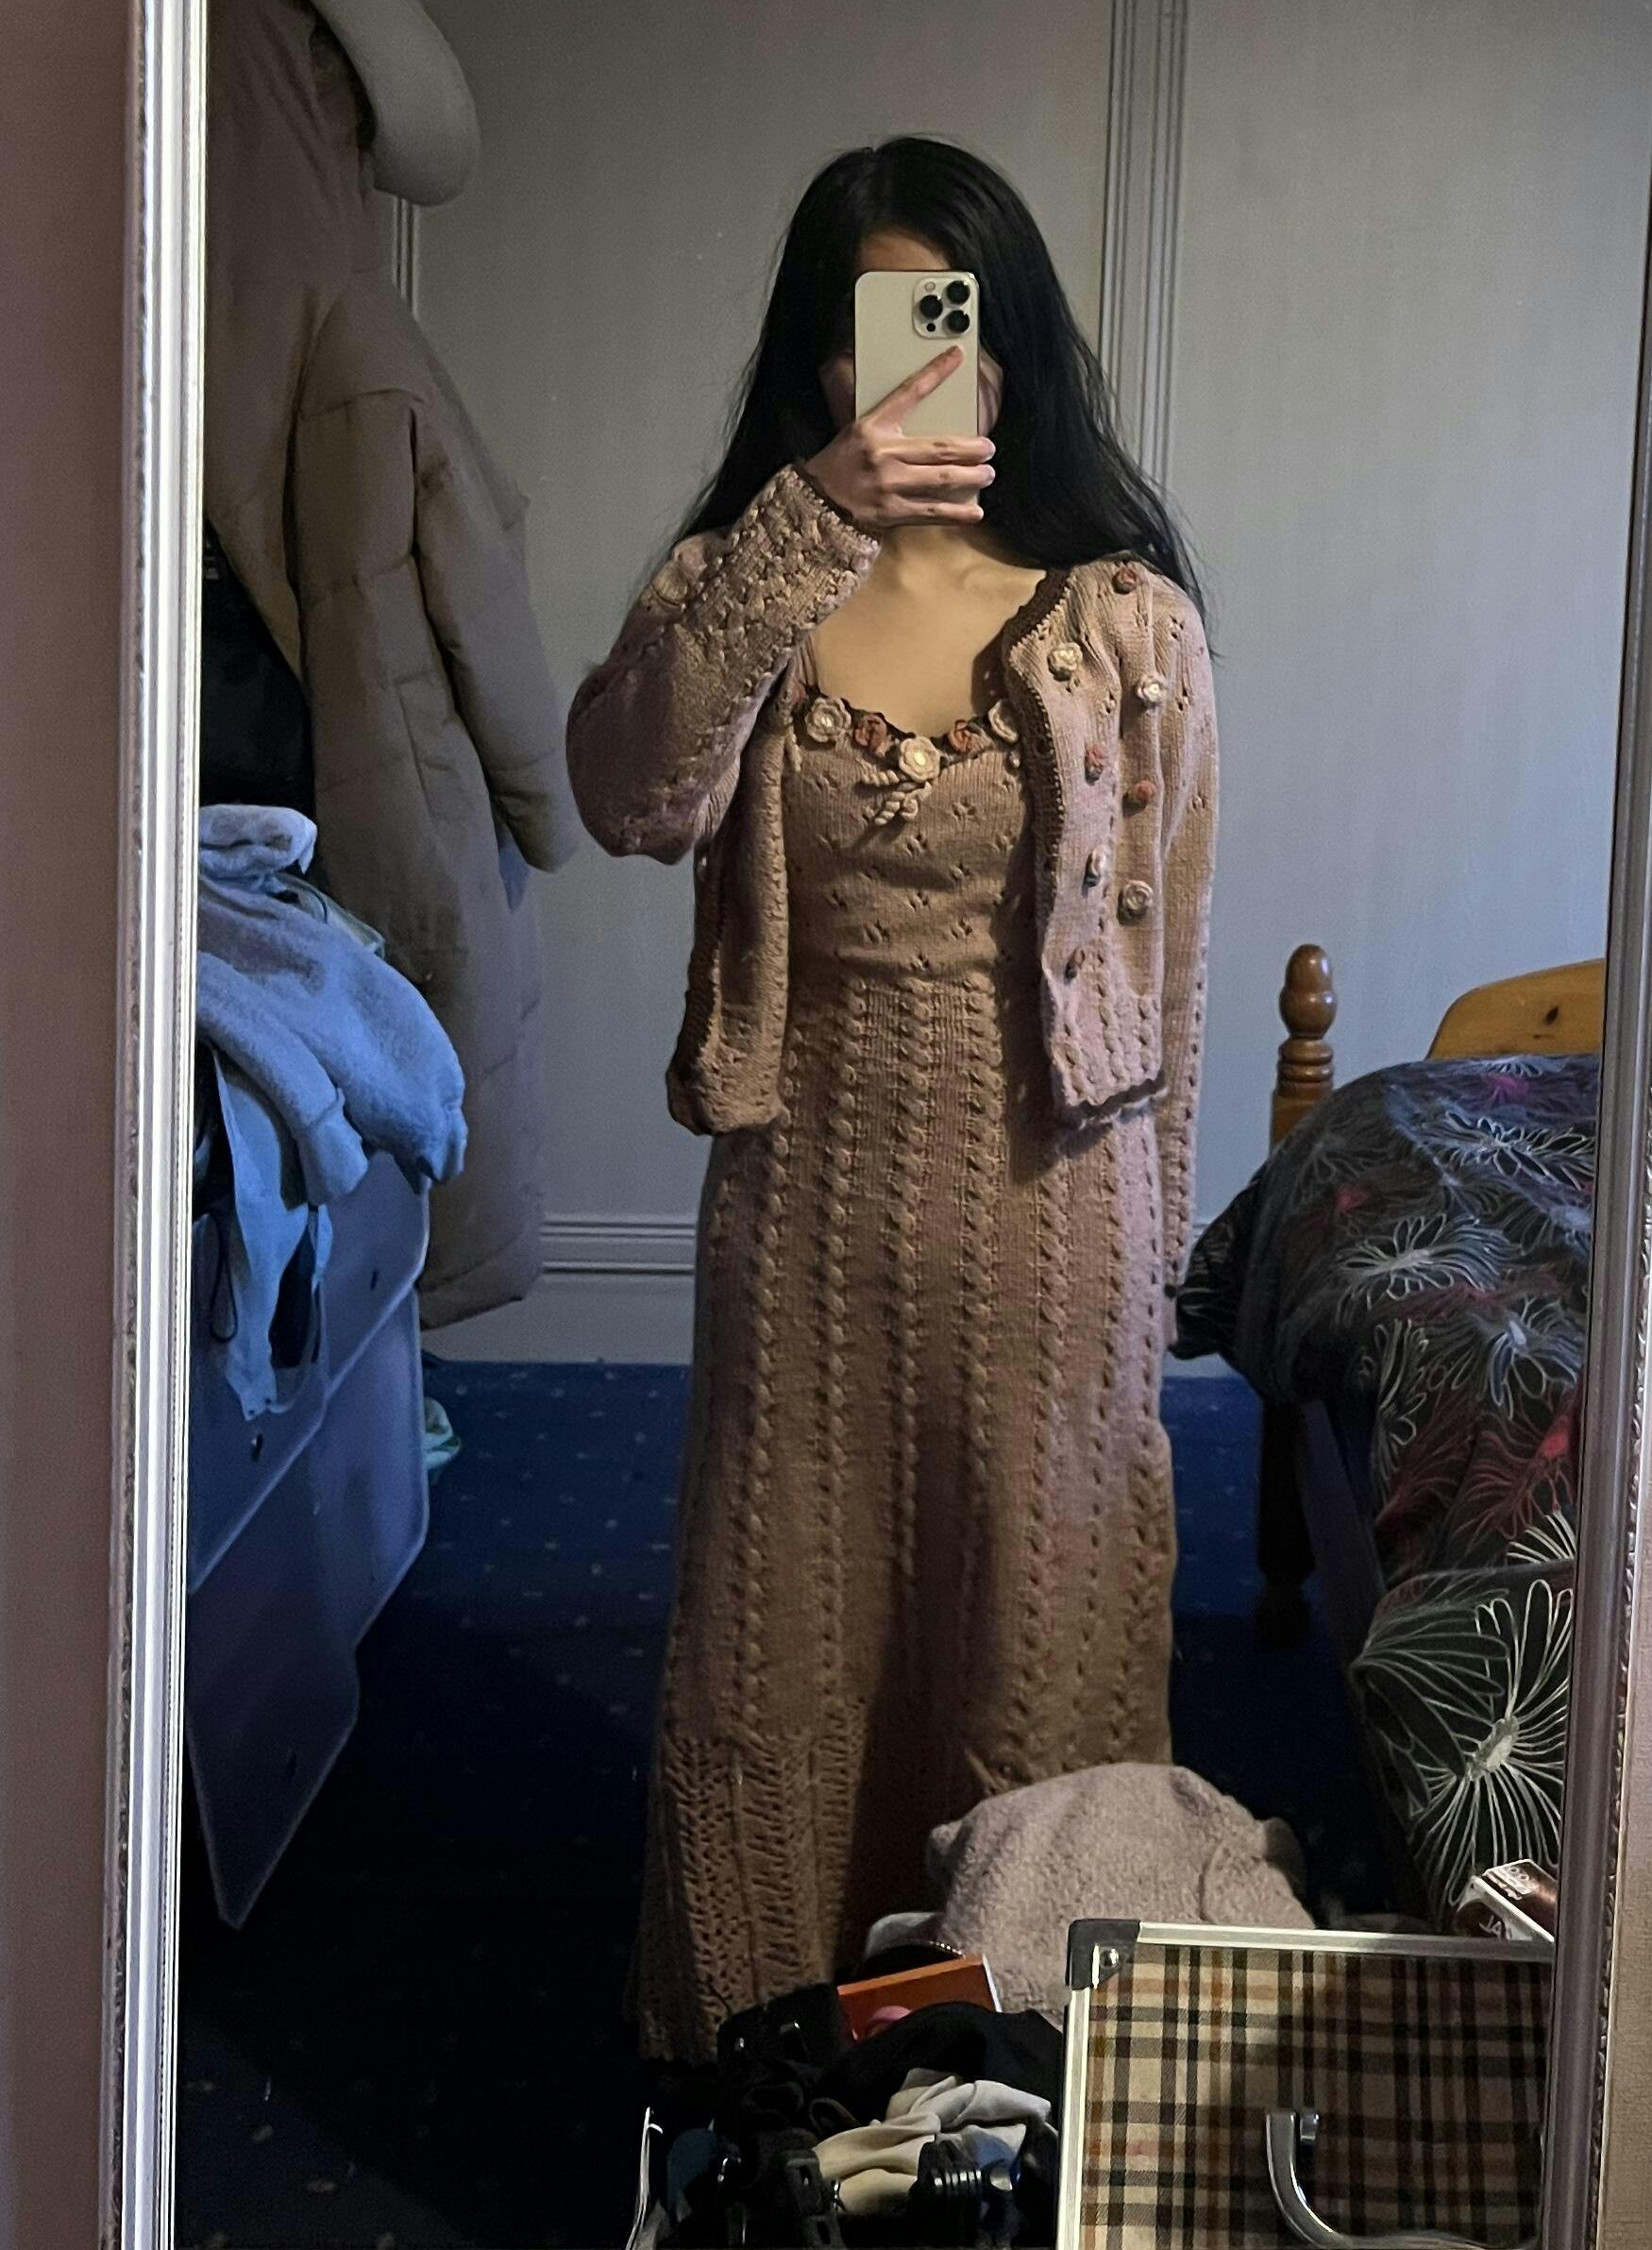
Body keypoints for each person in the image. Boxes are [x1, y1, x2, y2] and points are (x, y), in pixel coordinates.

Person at [567, 136, 1218, 2064]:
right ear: (825, 356)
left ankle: (1019, 2084)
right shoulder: (741, 590)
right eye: (890, 326)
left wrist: (1155, 1288)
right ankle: (769, 2080)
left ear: (1019, 355)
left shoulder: (1130, 626)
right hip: (804, 1227)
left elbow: (1171, 979)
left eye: (965, 325)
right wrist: (805, 527)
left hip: (1054, 1240)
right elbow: (628, 793)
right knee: (786, 1653)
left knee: (1038, 1657)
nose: (935, 369)